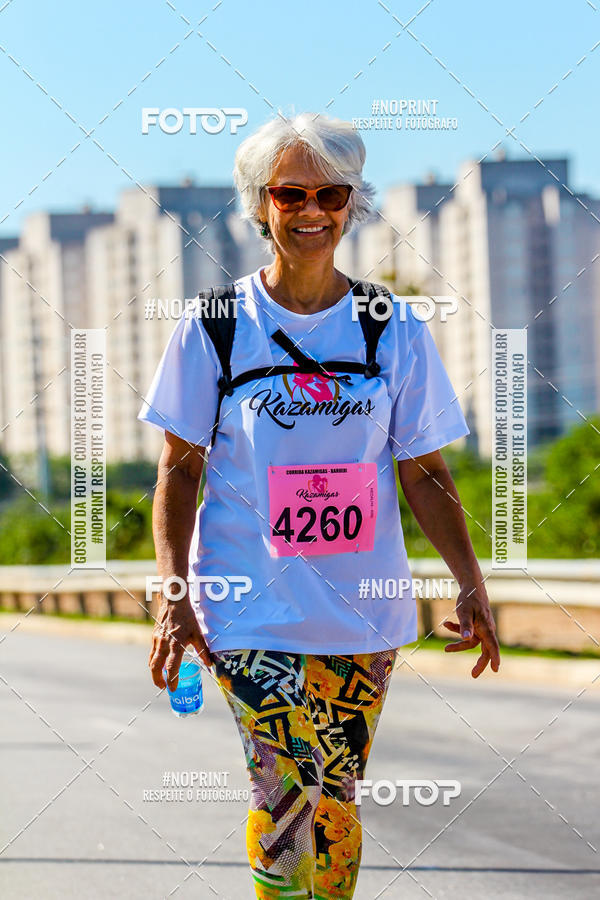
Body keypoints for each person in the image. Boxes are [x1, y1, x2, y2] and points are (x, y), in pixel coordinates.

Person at [138, 112, 500, 899]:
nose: (312, 210)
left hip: (360, 615)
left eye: (330, 194)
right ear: (259, 204)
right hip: (247, 610)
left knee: (334, 798)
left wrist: (470, 581)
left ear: (351, 204)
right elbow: (178, 471)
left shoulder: (389, 327)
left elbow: (425, 472)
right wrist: (173, 593)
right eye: (290, 193)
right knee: (281, 788)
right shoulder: (218, 326)